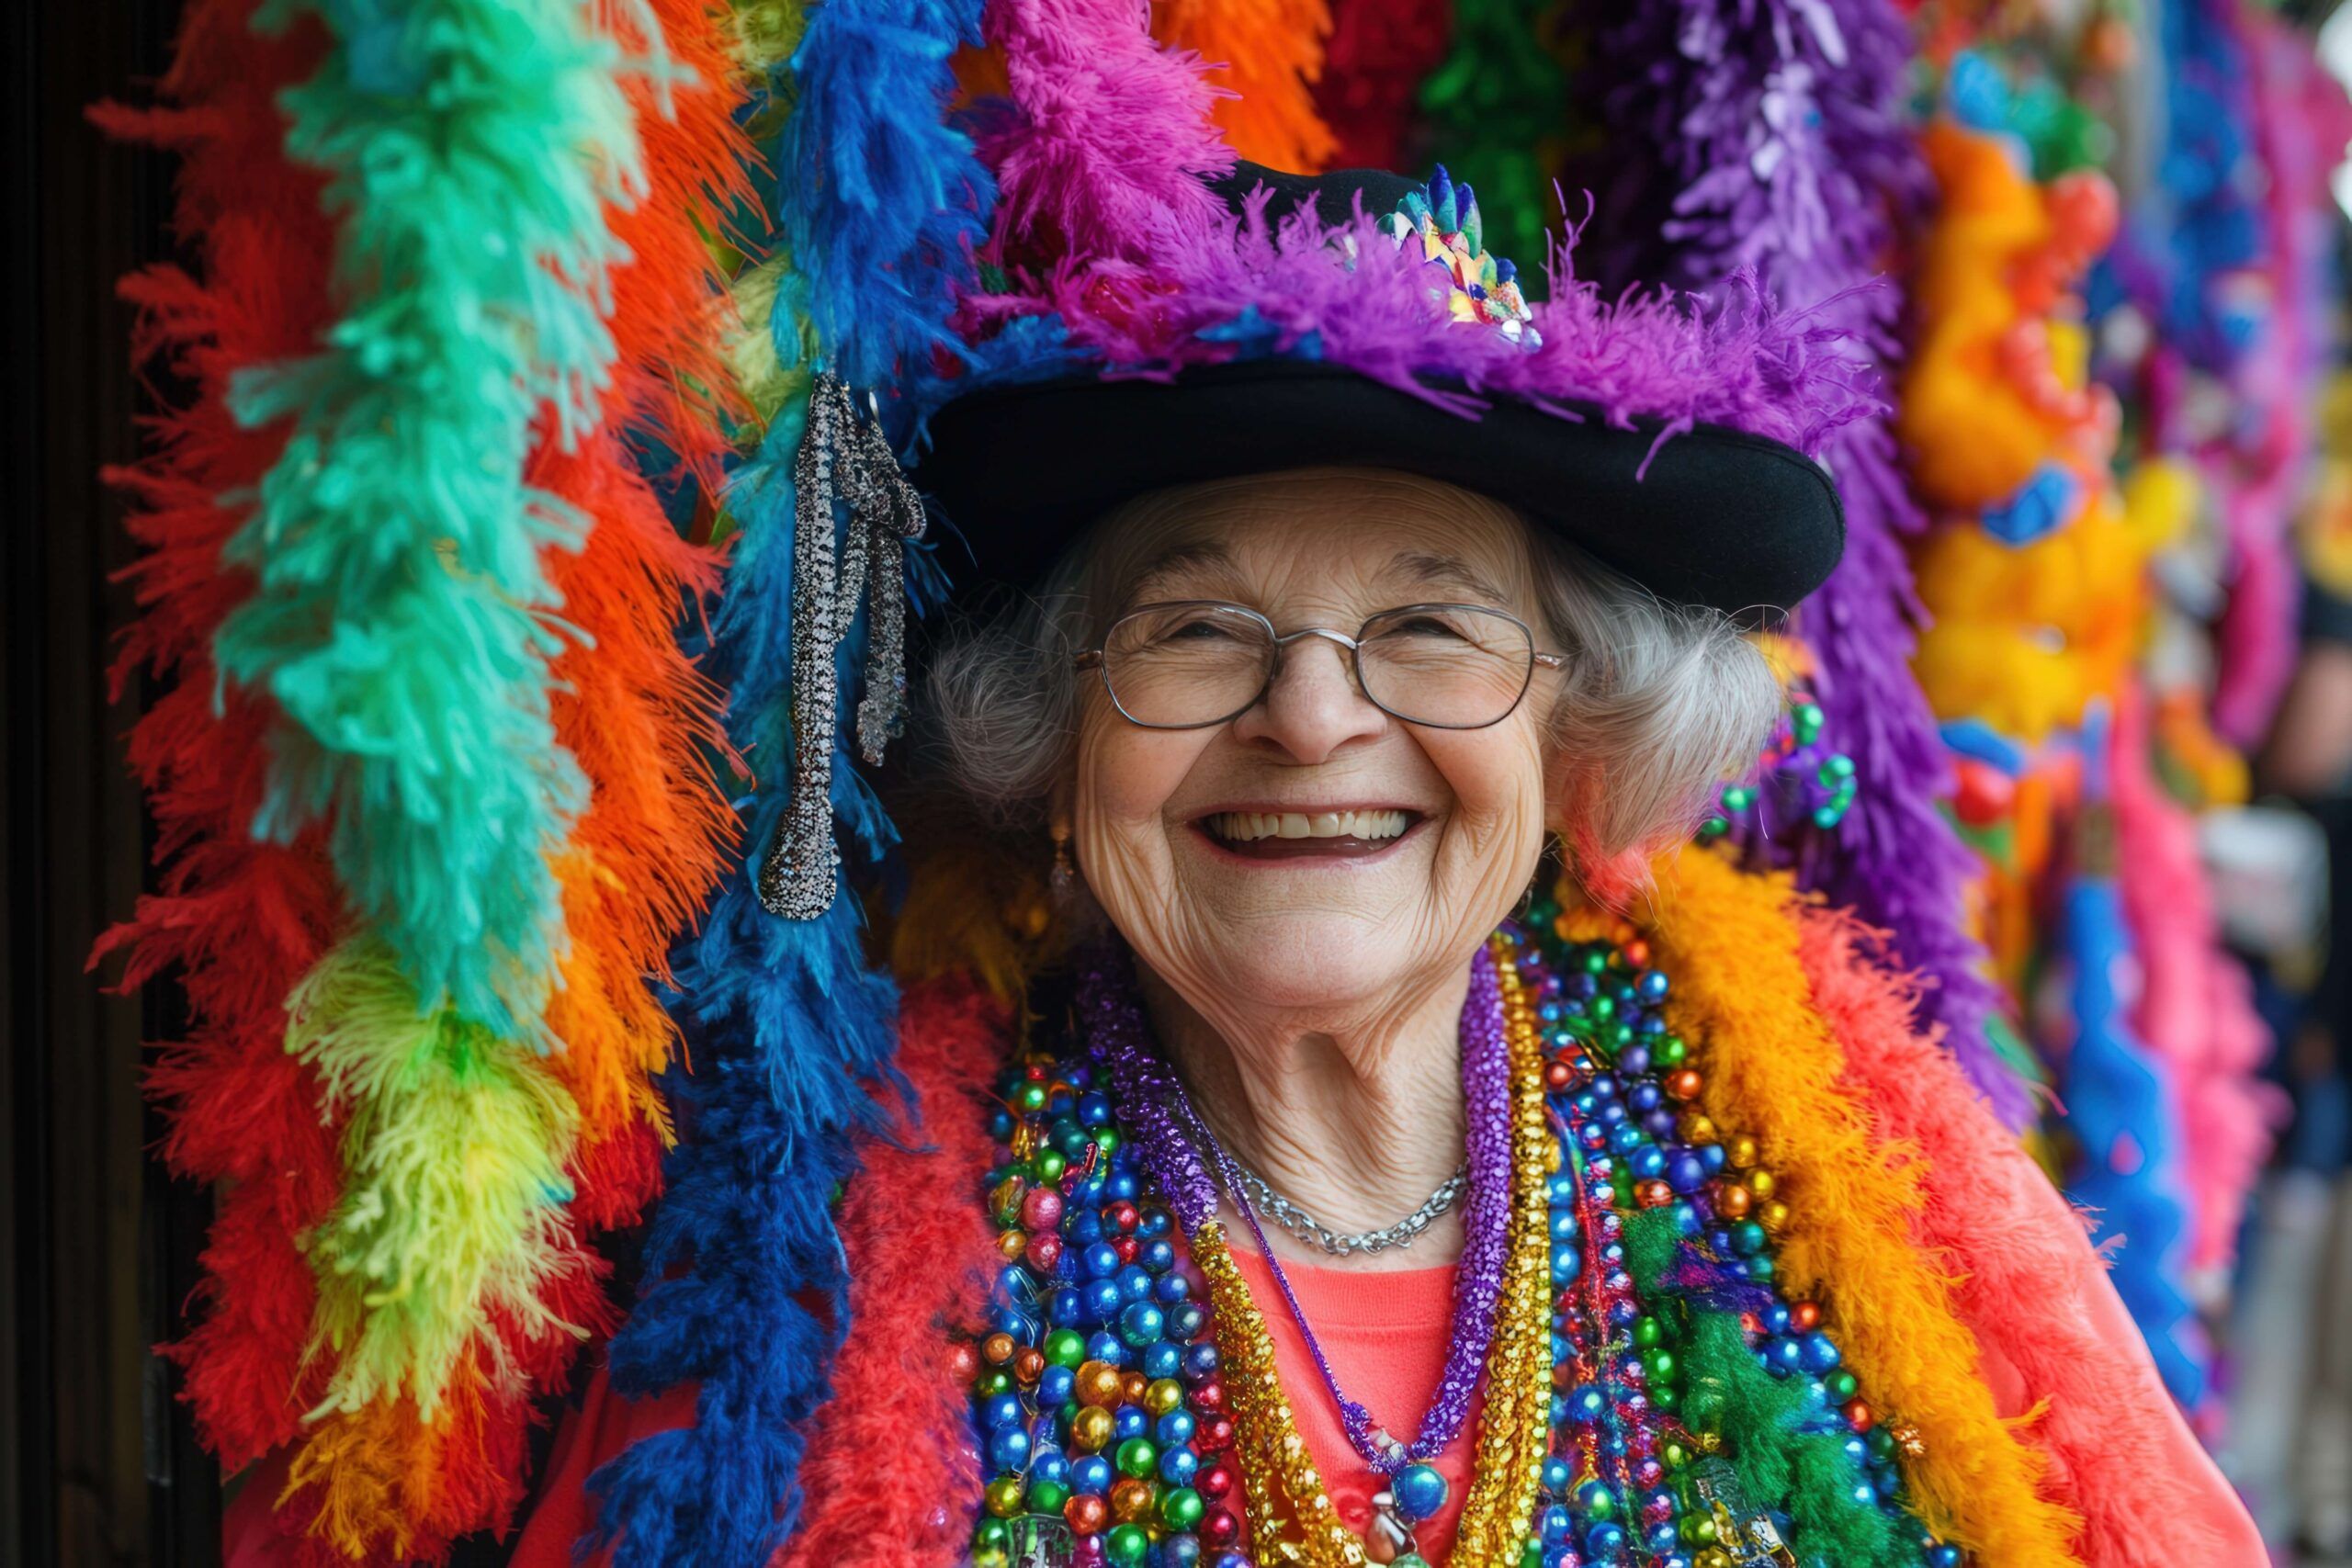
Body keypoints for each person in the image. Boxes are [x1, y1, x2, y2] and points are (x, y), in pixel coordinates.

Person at [481, 164, 2260, 1568]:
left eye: (1426, 626)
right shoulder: (807, 1256)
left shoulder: (1860, 1165)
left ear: (1578, 724)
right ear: (1045, 737)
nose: (1312, 717)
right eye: (1193, 630)